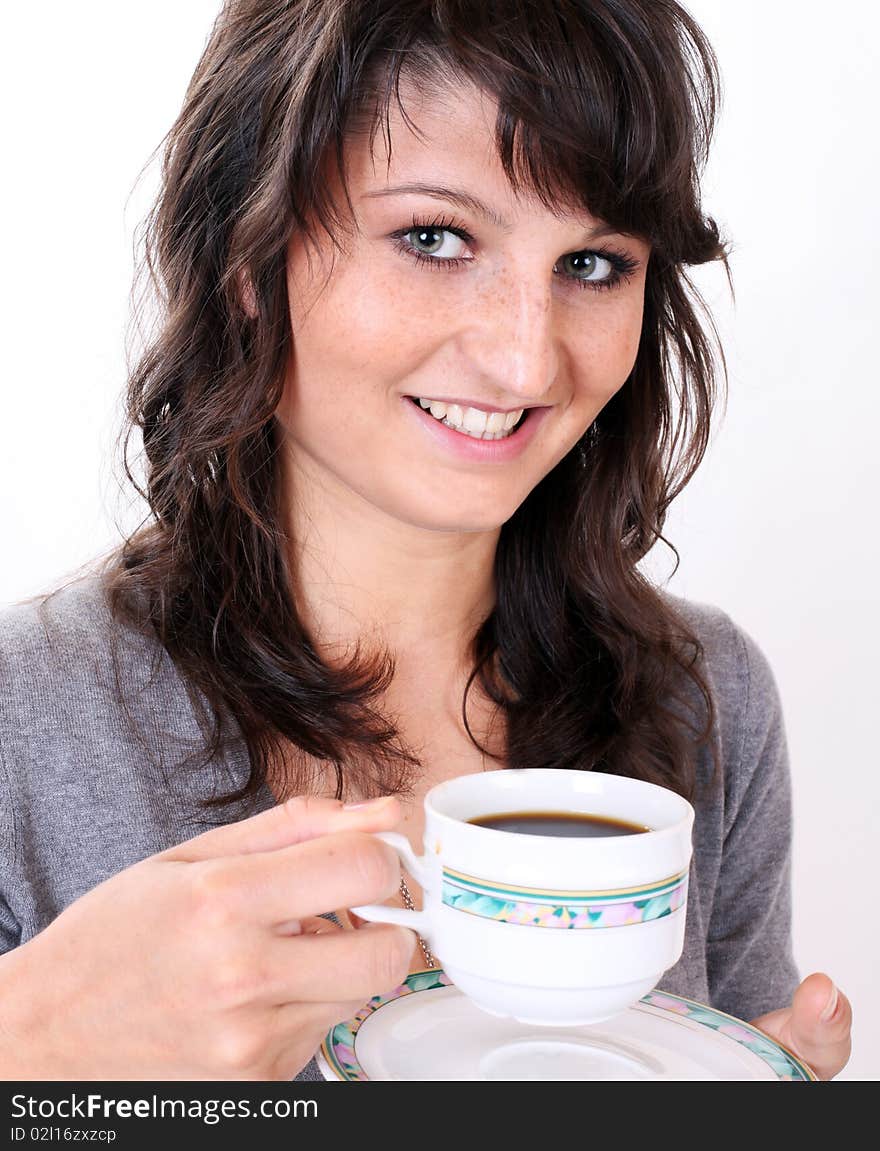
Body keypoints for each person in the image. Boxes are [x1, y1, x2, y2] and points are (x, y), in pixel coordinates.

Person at [0, 0, 851, 1081]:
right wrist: (22, 1040)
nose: (525, 363)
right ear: (245, 264)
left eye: (592, 264)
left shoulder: (705, 693)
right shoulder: (22, 718)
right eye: (435, 238)